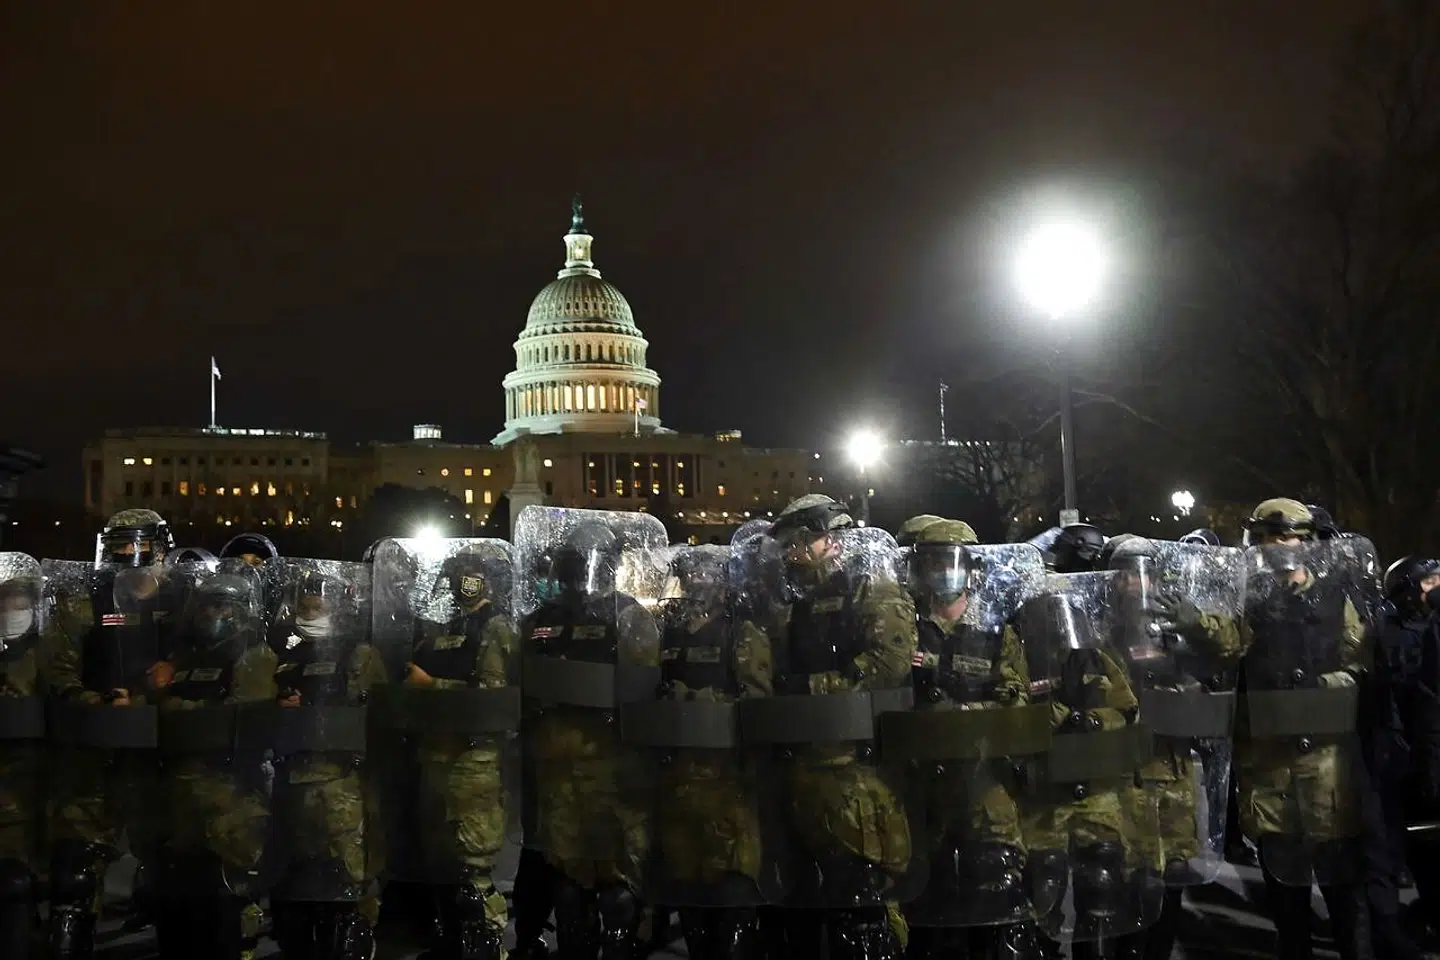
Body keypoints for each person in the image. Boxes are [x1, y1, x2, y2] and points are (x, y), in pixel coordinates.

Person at [738, 494, 918, 960]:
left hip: (852, 775)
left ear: (827, 540)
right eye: (785, 547)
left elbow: (889, 662)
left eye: (797, 543)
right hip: (793, 773)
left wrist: (811, 688)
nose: (790, 554)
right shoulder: (786, 601)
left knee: (857, 908)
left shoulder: (868, 589)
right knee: (792, 916)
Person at [895, 521, 1047, 960]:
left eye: (952, 562)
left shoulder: (995, 633)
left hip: (983, 784)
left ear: (971, 570)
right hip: (920, 790)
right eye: (935, 563)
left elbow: (1015, 700)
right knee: (928, 910)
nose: (945, 572)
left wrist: (964, 713)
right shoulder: (905, 630)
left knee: (997, 898)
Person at [518, 511, 664, 958]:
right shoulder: (541, 620)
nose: (574, 573)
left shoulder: (629, 616)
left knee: (617, 894)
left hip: (612, 773)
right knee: (568, 893)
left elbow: (644, 694)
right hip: (557, 778)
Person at [1236, 497, 1373, 960]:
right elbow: (1225, 658)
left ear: (1308, 542)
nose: (1277, 546)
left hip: (1327, 768)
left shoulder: (1336, 598)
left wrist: (1321, 687)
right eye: (1267, 538)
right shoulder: (1247, 602)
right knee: (1287, 904)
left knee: (1344, 898)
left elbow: (1362, 666)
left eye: (1287, 537)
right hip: (1270, 770)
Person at [45, 508, 180, 958]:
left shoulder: (184, 601)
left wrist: (159, 690)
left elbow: (209, 660)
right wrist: (94, 702)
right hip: (98, 743)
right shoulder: (87, 600)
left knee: (173, 865)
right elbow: (59, 668)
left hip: (162, 746)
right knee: (76, 867)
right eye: (119, 547)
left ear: (160, 549)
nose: (129, 556)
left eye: (138, 546)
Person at [152, 569, 275, 960]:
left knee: (228, 901)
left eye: (223, 605)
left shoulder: (254, 655)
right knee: (182, 904)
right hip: (180, 793)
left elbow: (239, 717)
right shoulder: (186, 656)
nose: (213, 614)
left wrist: (175, 707)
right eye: (207, 605)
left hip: (231, 793)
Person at [402, 548, 518, 960]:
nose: (462, 581)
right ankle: (451, 942)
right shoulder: (446, 628)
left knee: (473, 864)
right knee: (441, 863)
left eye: (471, 574)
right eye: (457, 574)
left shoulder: (495, 627)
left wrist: (431, 686)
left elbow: (492, 697)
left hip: (473, 758)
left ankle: (486, 947)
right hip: (436, 754)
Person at [268, 564, 387, 960]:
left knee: (346, 885)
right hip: (290, 780)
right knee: (298, 889)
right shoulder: (281, 649)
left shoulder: (357, 651)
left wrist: (318, 709)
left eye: (319, 603)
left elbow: (375, 714)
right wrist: (277, 706)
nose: (311, 609)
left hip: (342, 783)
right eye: (304, 604)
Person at [1360, 555, 1440, 959]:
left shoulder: (1434, 627)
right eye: (1430, 582)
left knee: (1428, 844)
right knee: (1386, 845)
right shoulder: (1383, 630)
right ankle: (1386, 931)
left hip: (1426, 751)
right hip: (1392, 750)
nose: (1437, 589)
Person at [0, 556, 46, 959]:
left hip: (34, 778)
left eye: (20, 600)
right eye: (6, 600)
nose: (12, 609)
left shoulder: (46, 652)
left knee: (17, 877)